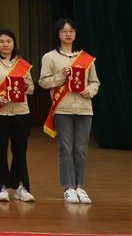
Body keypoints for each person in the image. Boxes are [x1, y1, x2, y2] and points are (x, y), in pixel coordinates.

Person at [39, 18, 100, 204]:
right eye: (64, 31)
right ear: (58, 34)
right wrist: (61, 76)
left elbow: (95, 82)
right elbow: (43, 82)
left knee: (81, 149)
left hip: (84, 109)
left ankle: (80, 186)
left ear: (75, 33)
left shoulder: (86, 58)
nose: (68, 34)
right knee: (66, 148)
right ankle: (68, 187)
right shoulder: (49, 57)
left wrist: (90, 91)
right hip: (62, 108)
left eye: (71, 30)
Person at [0, 28, 35, 203]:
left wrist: (27, 86)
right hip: (0, 113)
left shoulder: (22, 64)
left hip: (21, 112)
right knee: (0, 151)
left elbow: (31, 88)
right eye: (2, 41)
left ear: (14, 43)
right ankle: (1, 187)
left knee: (20, 151)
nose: (5, 44)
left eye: (9, 41)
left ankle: (21, 187)